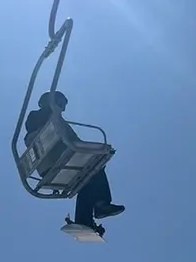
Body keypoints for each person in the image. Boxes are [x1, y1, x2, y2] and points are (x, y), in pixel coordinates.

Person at [25, 90, 125, 229]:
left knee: (86, 179)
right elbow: (70, 142)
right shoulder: (46, 117)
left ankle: (84, 220)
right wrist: (100, 149)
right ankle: (101, 205)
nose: (63, 109)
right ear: (53, 102)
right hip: (58, 160)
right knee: (95, 166)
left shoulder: (54, 119)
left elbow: (73, 142)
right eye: (61, 104)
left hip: (55, 163)